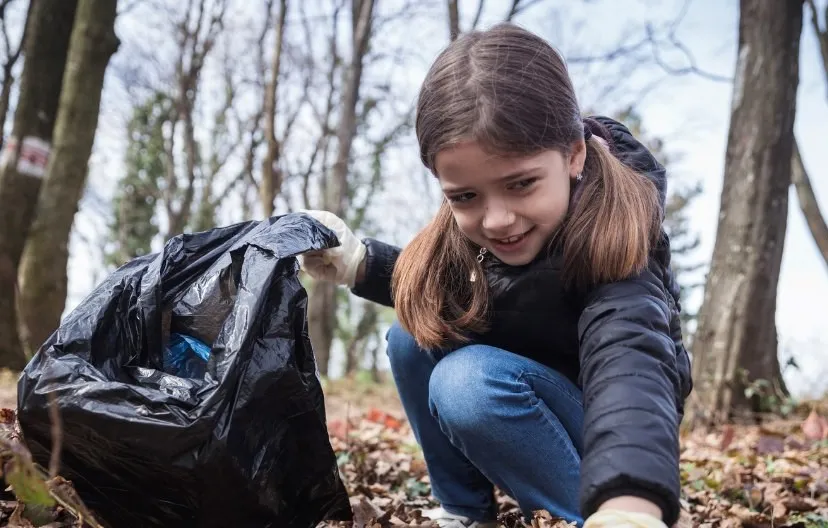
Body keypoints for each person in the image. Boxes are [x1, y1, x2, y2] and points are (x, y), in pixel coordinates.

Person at [299, 23, 692, 528]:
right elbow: (482, 301)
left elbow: (631, 369)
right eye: (465, 196)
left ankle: (595, 516)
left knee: (468, 382)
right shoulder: (489, 235)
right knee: (411, 335)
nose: (497, 219)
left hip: (614, 444)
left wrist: (631, 503)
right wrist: (362, 264)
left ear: (574, 154)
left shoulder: (622, 244)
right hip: (533, 402)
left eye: (521, 184)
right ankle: (464, 512)